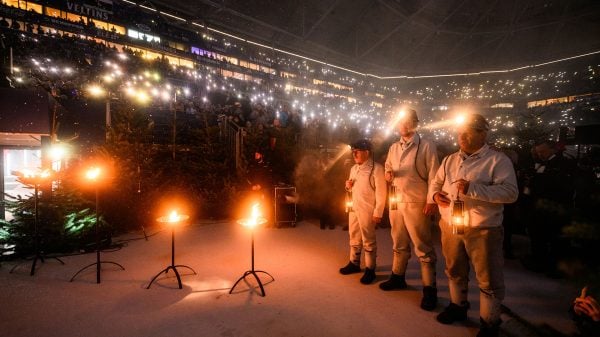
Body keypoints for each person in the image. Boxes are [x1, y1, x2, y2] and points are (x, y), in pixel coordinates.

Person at [429, 114, 518, 337]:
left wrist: (474, 189)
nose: (462, 136)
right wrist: (436, 195)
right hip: (451, 224)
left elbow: (510, 193)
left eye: (468, 132)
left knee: (488, 277)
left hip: (483, 228)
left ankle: (490, 322)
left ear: (483, 134)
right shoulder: (450, 160)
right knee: (454, 269)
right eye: (459, 132)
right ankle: (458, 306)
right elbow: (436, 182)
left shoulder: (498, 160)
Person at [381, 109, 440, 311]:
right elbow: (388, 165)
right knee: (398, 241)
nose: (404, 124)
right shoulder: (394, 147)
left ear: (416, 123)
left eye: (408, 121)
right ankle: (398, 276)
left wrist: (431, 199)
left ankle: (430, 289)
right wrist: (388, 173)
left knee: (423, 246)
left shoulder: (426, 145)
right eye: (401, 120)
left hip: (416, 201)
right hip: (396, 201)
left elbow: (434, 173)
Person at [523, 140, 574, 275]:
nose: (540, 154)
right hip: (539, 208)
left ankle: (553, 267)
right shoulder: (542, 164)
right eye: (538, 152)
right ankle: (540, 262)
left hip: (552, 208)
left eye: (543, 151)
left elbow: (560, 186)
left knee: (553, 238)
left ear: (552, 150)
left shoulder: (561, 164)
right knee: (539, 236)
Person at [339, 139, 387, 285]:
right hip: (354, 207)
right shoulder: (354, 169)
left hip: (368, 209)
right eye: (353, 151)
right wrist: (348, 186)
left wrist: (378, 211)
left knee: (368, 239)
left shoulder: (376, 169)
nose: (354, 153)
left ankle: (370, 269)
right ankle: (354, 263)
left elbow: (381, 192)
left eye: (357, 151)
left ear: (367, 152)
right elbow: (351, 187)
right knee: (354, 235)